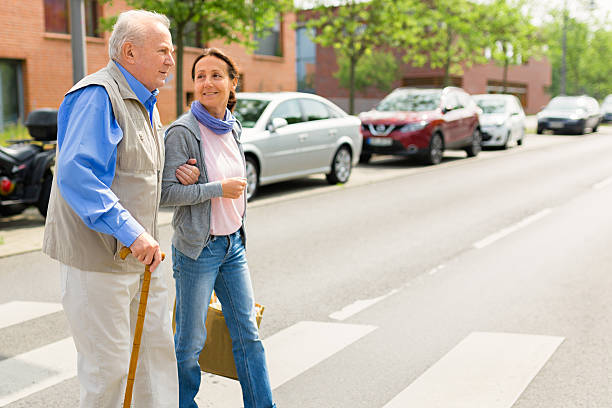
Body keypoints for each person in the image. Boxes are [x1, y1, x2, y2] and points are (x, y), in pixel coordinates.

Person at [43, 9, 199, 408]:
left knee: (155, 362)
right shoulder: (97, 95)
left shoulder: (148, 102)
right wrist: (132, 231)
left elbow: (134, 174)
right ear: (130, 52)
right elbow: (79, 177)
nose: (171, 59)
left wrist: (173, 174)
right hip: (98, 262)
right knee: (107, 372)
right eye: (163, 51)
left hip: (142, 259)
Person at [160, 48, 276, 408]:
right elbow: (165, 194)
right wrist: (215, 190)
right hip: (198, 249)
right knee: (190, 342)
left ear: (232, 82)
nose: (207, 83)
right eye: (200, 76)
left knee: (248, 335)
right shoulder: (182, 131)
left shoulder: (232, 127)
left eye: (216, 75)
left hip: (232, 247)